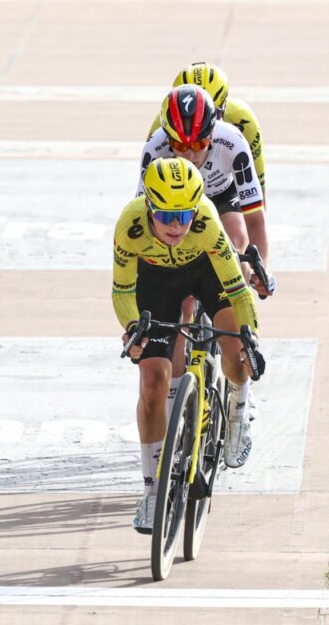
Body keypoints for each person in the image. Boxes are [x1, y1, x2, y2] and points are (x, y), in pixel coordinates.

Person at [113, 156, 260, 533]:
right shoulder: (129, 225)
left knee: (235, 352)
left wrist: (250, 336)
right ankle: (151, 492)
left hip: (205, 274)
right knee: (151, 384)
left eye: (185, 215)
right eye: (166, 216)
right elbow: (122, 291)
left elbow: (239, 293)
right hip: (157, 282)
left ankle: (239, 411)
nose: (177, 226)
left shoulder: (207, 222)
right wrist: (133, 329)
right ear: (148, 207)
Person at [139, 83, 274, 297]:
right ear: (167, 138)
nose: (190, 155)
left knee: (237, 242)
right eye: (181, 146)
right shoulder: (154, 147)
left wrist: (263, 270)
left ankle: (242, 298)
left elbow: (255, 218)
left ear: (211, 135)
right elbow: (142, 214)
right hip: (176, 205)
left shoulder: (232, 142)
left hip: (222, 195)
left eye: (198, 144)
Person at [148, 61, 270, 206]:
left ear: (225, 104)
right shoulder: (160, 127)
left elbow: (258, 181)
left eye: (214, 113)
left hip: (225, 187)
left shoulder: (243, 119)